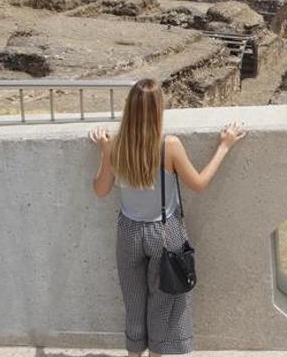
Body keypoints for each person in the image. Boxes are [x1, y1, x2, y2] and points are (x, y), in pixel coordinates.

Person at [88, 78, 246, 356]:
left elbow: (100, 190)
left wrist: (104, 151)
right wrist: (224, 146)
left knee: (134, 302)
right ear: (159, 108)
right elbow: (198, 184)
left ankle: (134, 353)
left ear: (129, 108)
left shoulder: (116, 144)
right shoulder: (168, 145)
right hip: (164, 232)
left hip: (128, 232)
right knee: (163, 304)